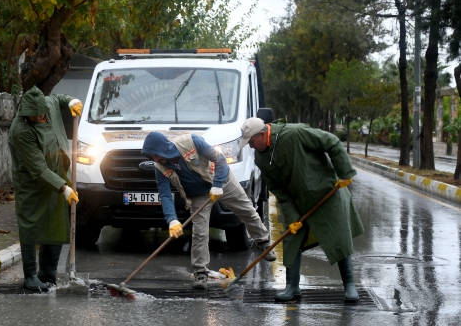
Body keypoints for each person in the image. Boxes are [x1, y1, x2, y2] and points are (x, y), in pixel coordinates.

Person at [240, 117, 364, 302]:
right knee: (292, 239)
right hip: (297, 201)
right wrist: (292, 217)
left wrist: (344, 172)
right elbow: (278, 189)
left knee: (339, 236)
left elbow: (331, 142)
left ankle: (350, 286)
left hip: (327, 193)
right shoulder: (261, 158)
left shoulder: (295, 134)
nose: (250, 146)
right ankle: (292, 287)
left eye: (251, 141)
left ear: (262, 133)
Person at [141, 132, 275, 290]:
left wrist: (218, 184)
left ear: (164, 148)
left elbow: (220, 160)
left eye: (155, 154)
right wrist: (172, 220)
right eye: (151, 156)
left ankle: (263, 242)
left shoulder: (191, 141)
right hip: (198, 194)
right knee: (199, 232)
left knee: (247, 210)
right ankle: (200, 272)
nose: (155, 159)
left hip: (221, 180)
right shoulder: (160, 167)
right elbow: (164, 195)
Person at [9, 86, 82, 292]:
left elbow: (58, 97)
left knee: (55, 222)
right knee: (31, 224)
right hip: (32, 182)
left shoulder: (47, 106)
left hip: (58, 175)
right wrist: (64, 188)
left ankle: (48, 274)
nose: (40, 118)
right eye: (35, 116)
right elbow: (38, 168)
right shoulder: (20, 130)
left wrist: (71, 101)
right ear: (26, 113)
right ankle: (30, 276)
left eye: (42, 115)